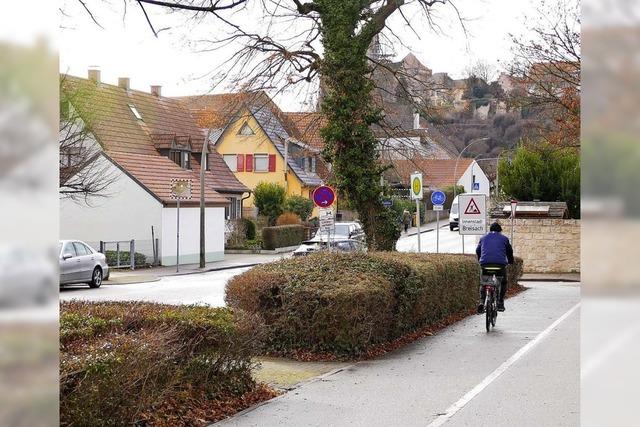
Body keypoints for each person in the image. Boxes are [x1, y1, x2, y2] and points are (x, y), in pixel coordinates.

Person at [475, 222, 514, 313]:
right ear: (500, 231)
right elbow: (509, 252)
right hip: (500, 266)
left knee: (483, 283)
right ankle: (500, 302)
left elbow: (478, 250)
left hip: (485, 265)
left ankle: (481, 302)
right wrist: (511, 261)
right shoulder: (504, 239)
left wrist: (481, 260)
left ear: (490, 230)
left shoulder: (483, 238)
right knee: (503, 282)